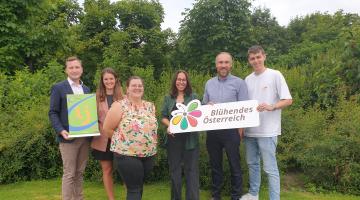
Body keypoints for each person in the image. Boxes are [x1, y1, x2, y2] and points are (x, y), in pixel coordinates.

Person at [240, 45, 292, 200]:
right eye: (252, 58)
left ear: (264, 56)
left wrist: (272, 106)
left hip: (268, 131)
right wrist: (242, 128)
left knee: (270, 169)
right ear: (249, 60)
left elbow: (288, 100)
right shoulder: (247, 80)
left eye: (258, 57)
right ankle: (253, 194)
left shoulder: (275, 75)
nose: (256, 60)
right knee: (252, 165)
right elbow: (243, 107)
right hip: (250, 132)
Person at [103, 76, 158, 200]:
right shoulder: (119, 105)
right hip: (126, 154)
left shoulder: (150, 106)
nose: (137, 88)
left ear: (143, 88)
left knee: (138, 187)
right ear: (127, 88)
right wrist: (124, 141)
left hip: (148, 154)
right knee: (133, 189)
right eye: (134, 85)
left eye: (140, 85)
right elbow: (107, 128)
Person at [203, 52, 248, 200]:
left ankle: (236, 196)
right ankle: (216, 196)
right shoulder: (209, 83)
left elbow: (244, 108)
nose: (223, 65)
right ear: (216, 65)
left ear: (231, 64)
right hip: (213, 132)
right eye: (220, 62)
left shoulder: (239, 83)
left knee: (235, 165)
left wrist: (240, 131)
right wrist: (206, 105)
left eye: (226, 62)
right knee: (215, 166)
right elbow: (203, 107)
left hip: (231, 132)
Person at [48, 56, 91, 200]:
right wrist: (61, 130)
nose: (74, 70)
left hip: (85, 137)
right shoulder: (58, 88)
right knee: (69, 173)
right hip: (68, 138)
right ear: (66, 70)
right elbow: (53, 112)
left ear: (82, 69)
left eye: (77, 67)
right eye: (71, 67)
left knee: (79, 173)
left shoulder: (86, 89)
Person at [161, 70, 200, 200]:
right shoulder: (168, 97)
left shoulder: (193, 97)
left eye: (184, 80)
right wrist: (169, 125)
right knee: (175, 173)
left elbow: (201, 113)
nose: (181, 82)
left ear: (187, 82)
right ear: (175, 81)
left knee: (192, 172)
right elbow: (163, 117)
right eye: (179, 79)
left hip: (191, 140)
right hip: (173, 140)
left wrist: (209, 106)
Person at [91, 68, 123, 200]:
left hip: (120, 138)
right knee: (107, 170)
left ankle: (130, 196)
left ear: (115, 80)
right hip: (102, 139)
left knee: (125, 170)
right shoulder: (96, 98)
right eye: (106, 79)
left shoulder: (124, 97)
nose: (109, 81)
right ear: (102, 81)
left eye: (111, 78)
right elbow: (89, 118)